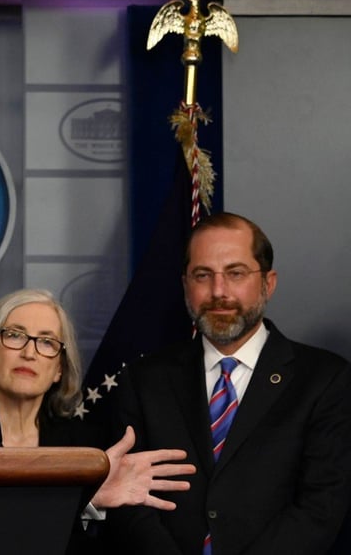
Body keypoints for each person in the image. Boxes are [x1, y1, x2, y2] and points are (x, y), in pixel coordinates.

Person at [107, 212, 351, 554]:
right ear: (185, 285)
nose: (218, 291)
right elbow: (129, 502)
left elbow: (319, 509)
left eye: (235, 273)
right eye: (203, 275)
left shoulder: (324, 380)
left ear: (269, 282)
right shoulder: (144, 380)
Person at [0, 289, 195, 552]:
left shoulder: (88, 452)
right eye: (15, 335)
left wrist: (92, 504)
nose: (30, 352)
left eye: (47, 342)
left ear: (59, 369)